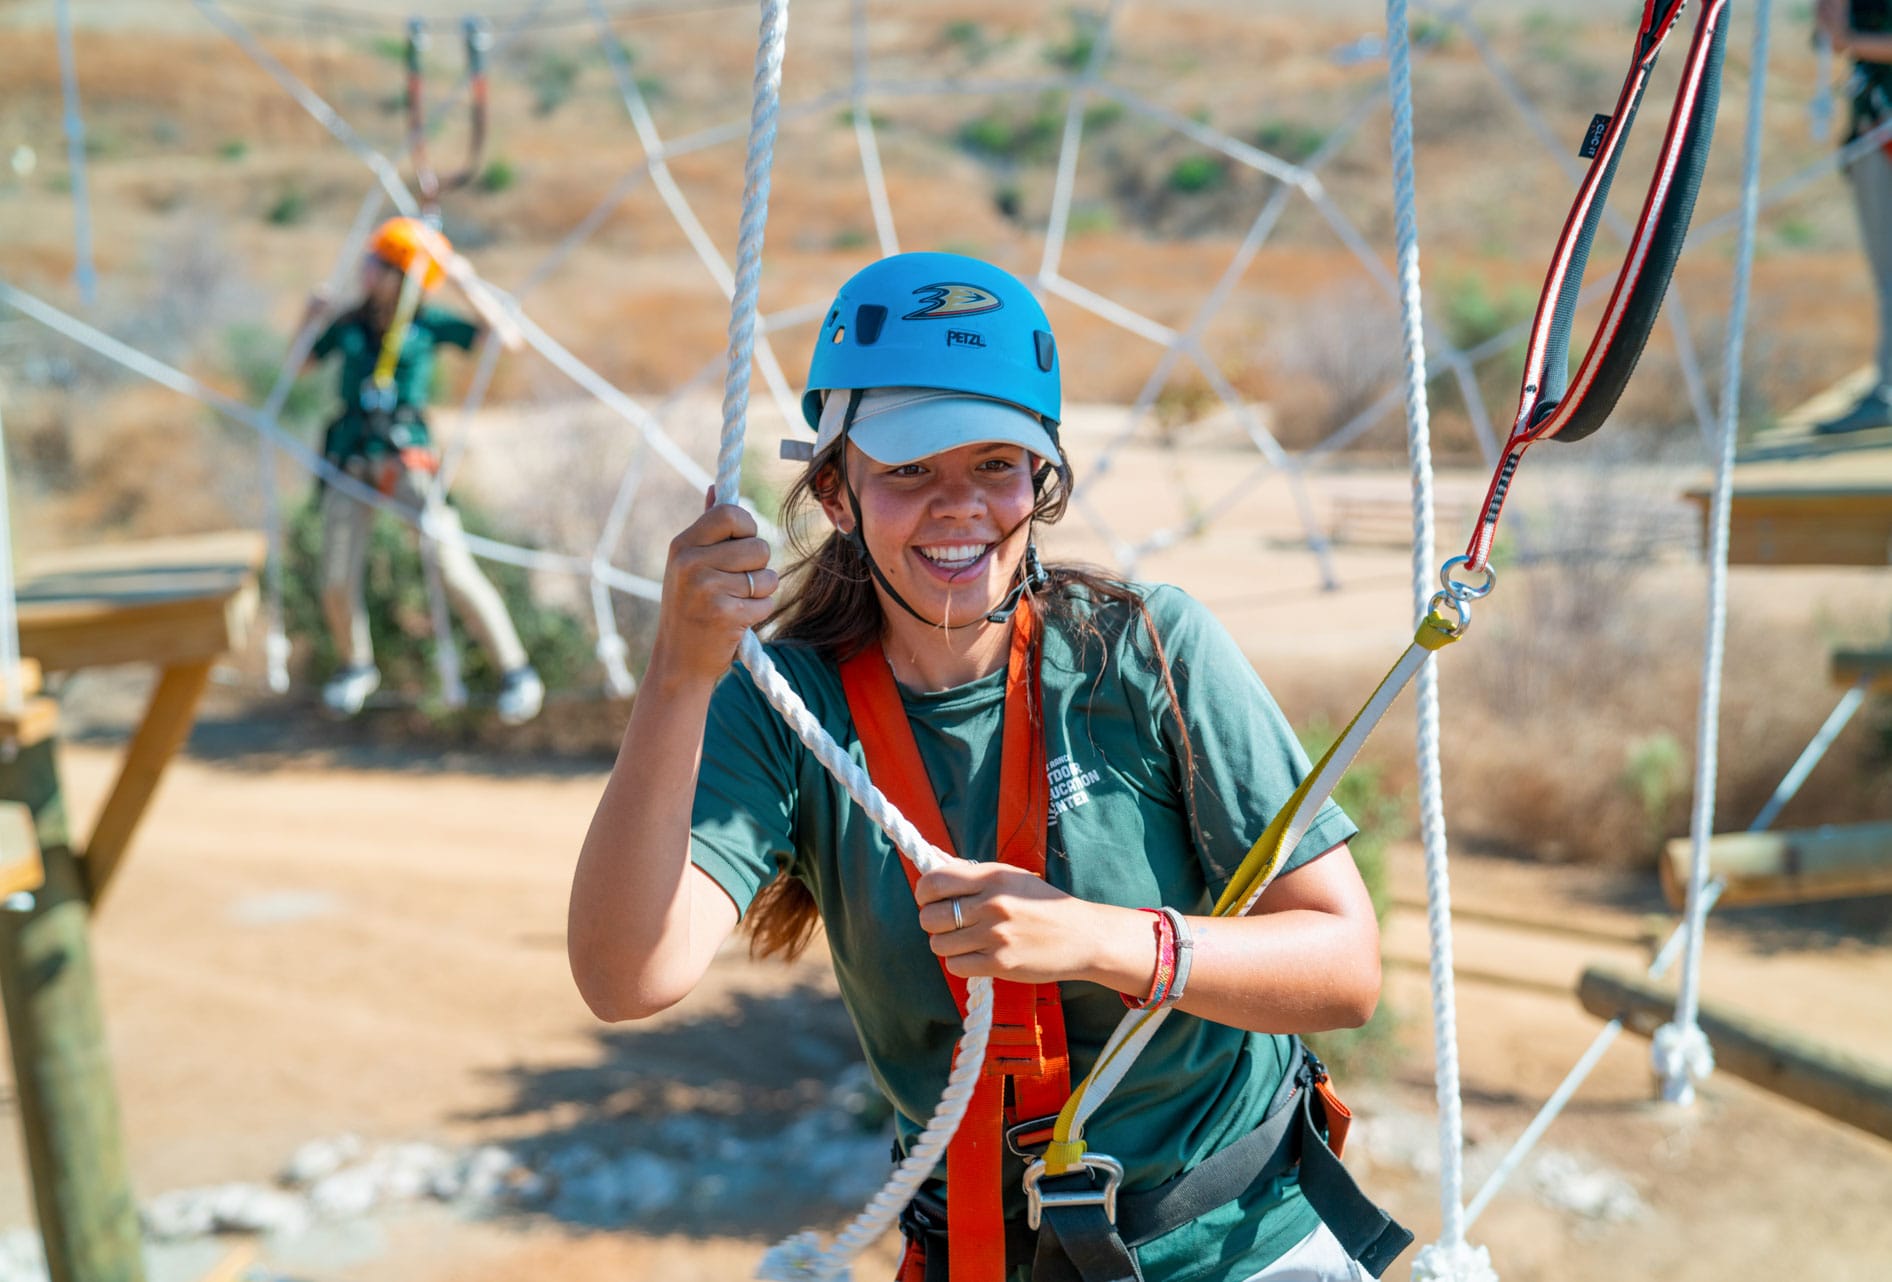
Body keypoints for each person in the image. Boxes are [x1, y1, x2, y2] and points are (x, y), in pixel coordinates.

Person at [568, 253, 1404, 1281]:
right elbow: (625, 974)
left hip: (1236, 1247)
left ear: (1040, 481)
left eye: (995, 465)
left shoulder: (1144, 652)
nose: (958, 506)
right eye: (909, 470)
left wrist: (1094, 940)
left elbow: (1341, 965)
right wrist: (676, 676)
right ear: (837, 490)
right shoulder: (789, 708)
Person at [301, 216, 544, 724]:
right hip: (350, 460)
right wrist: (307, 321)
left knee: (452, 567)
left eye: (378, 265)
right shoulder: (348, 324)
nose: (366, 272)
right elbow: (300, 366)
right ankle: (355, 666)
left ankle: (516, 670)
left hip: (406, 460)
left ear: (401, 275)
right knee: (335, 577)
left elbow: (506, 340)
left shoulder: (425, 324)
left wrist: (460, 276)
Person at [1815, 0, 1892, 434]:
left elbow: (1842, 41)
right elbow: (1829, 38)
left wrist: (1850, 39)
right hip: (1873, 128)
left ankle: (1886, 392)